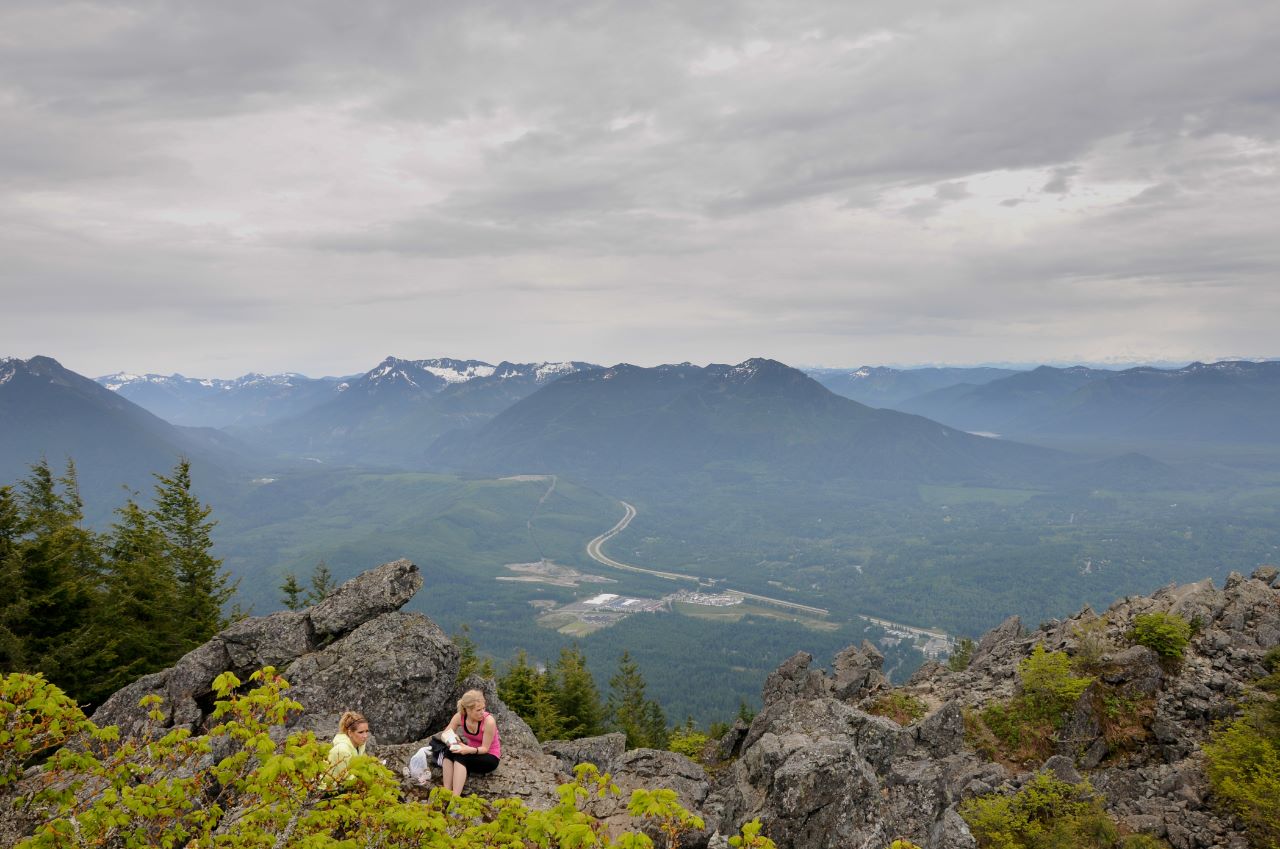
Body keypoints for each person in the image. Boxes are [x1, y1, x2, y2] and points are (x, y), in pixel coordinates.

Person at [437, 689, 501, 794]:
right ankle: (446, 792)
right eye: (478, 710)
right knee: (449, 751)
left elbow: (485, 749)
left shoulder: (489, 722)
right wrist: (452, 740)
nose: (482, 712)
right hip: (471, 752)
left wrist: (468, 750)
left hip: (489, 756)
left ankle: (455, 798)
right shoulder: (460, 717)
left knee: (461, 757)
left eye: (483, 708)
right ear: (467, 710)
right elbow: (445, 734)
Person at [328, 710, 371, 784]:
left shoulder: (359, 746)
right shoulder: (342, 750)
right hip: (328, 790)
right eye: (361, 732)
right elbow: (346, 778)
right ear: (350, 732)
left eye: (366, 731)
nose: (365, 736)